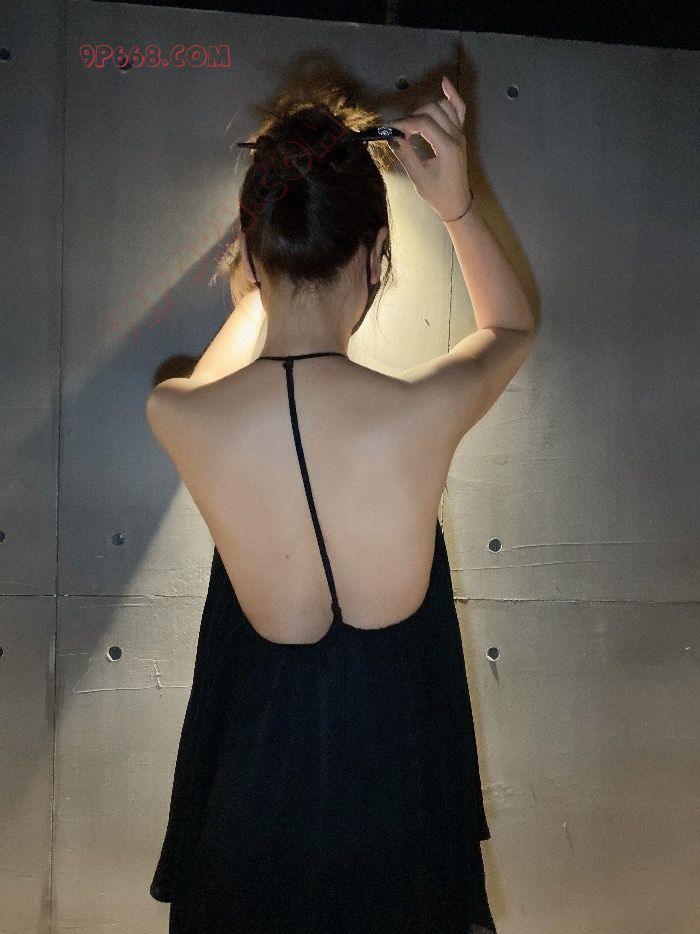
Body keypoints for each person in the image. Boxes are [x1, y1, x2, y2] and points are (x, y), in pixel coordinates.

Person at [146, 75, 536, 933]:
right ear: (377, 254)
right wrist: (458, 206)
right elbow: (511, 327)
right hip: (398, 817)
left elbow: (217, 371)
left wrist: (258, 281)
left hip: (249, 814)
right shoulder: (422, 415)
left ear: (254, 248)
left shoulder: (179, 418)